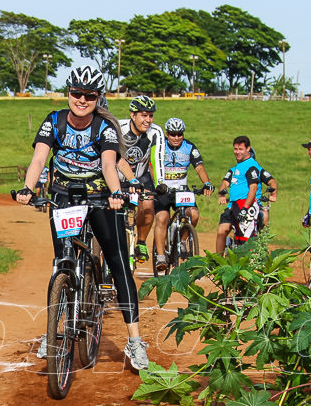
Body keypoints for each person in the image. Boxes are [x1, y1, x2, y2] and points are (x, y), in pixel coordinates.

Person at [15, 66, 148, 371]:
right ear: (69, 92)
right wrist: (27, 187)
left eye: (90, 95)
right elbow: (39, 158)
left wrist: (117, 194)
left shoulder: (105, 127)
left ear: (98, 98)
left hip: (100, 197)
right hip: (63, 195)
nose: (82, 99)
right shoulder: (54, 121)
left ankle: (135, 342)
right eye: (77, 93)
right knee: (61, 261)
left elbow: (108, 164)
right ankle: (54, 330)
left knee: (117, 262)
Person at [153, 117, 213, 271]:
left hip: (181, 190)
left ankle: (182, 241)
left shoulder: (189, 147)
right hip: (163, 190)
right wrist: (156, 184)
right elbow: (150, 165)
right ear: (167, 134)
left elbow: (199, 167)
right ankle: (160, 256)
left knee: (193, 214)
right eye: (173, 134)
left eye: (179, 134)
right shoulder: (159, 146)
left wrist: (206, 183)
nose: (176, 137)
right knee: (162, 217)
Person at [117, 95, 165, 263]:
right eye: (144, 115)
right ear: (133, 115)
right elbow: (115, 157)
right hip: (118, 176)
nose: (148, 120)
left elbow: (157, 158)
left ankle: (141, 242)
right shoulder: (118, 127)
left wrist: (160, 183)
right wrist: (129, 181)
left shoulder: (156, 132)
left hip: (141, 175)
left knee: (149, 204)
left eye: (151, 116)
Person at [215, 136, 263, 253]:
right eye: (235, 149)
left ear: (248, 149)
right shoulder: (234, 168)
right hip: (232, 206)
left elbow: (253, 188)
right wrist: (221, 194)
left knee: (245, 237)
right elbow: (224, 183)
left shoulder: (251, 166)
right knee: (222, 230)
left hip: (245, 206)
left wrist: (246, 208)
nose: (237, 152)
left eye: (240, 149)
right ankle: (218, 262)